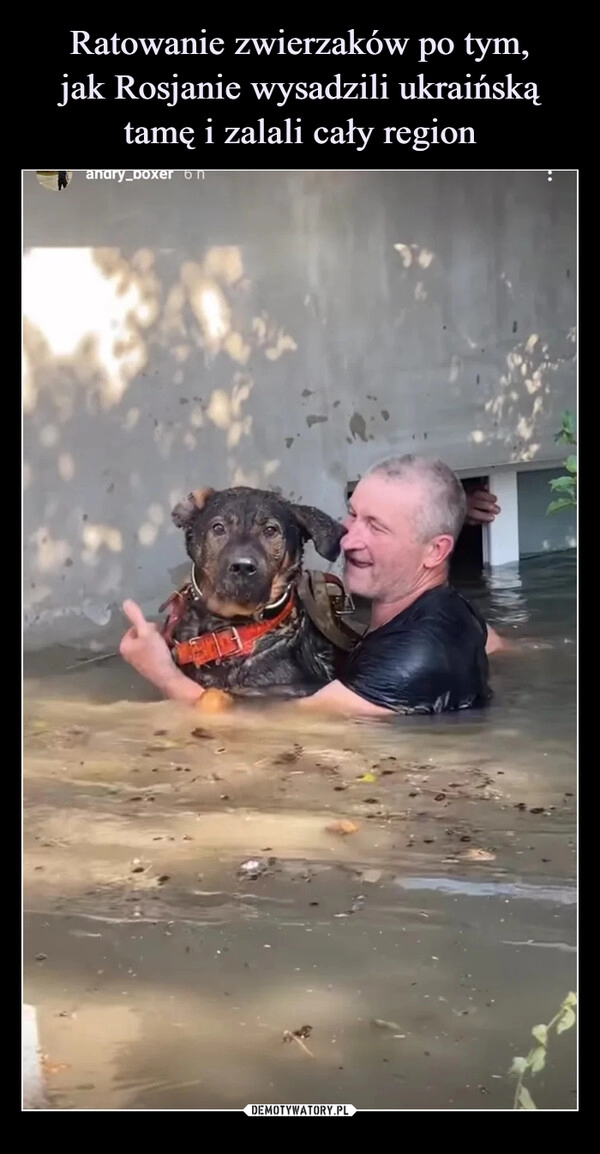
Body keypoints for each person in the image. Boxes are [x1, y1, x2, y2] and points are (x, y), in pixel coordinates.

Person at [120, 458, 507, 717]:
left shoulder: (417, 658)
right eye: (354, 514)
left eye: (377, 527)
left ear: (435, 551)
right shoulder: (455, 614)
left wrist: (163, 675)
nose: (348, 539)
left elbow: (272, 731)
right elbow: (498, 645)